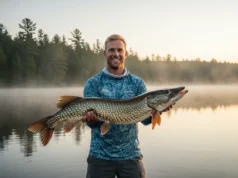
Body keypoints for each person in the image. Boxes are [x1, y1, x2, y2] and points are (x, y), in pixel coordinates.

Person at [82, 34, 171, 178]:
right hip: (99, 156)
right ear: (105, 53)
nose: (116, 54)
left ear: (126, 53)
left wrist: (158, 111)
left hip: (131, 156)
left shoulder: (137, 83)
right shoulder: (93, 83)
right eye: (111, 50)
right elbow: (93, 125)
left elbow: (144, 120)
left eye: (119, 50)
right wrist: (91, 121)